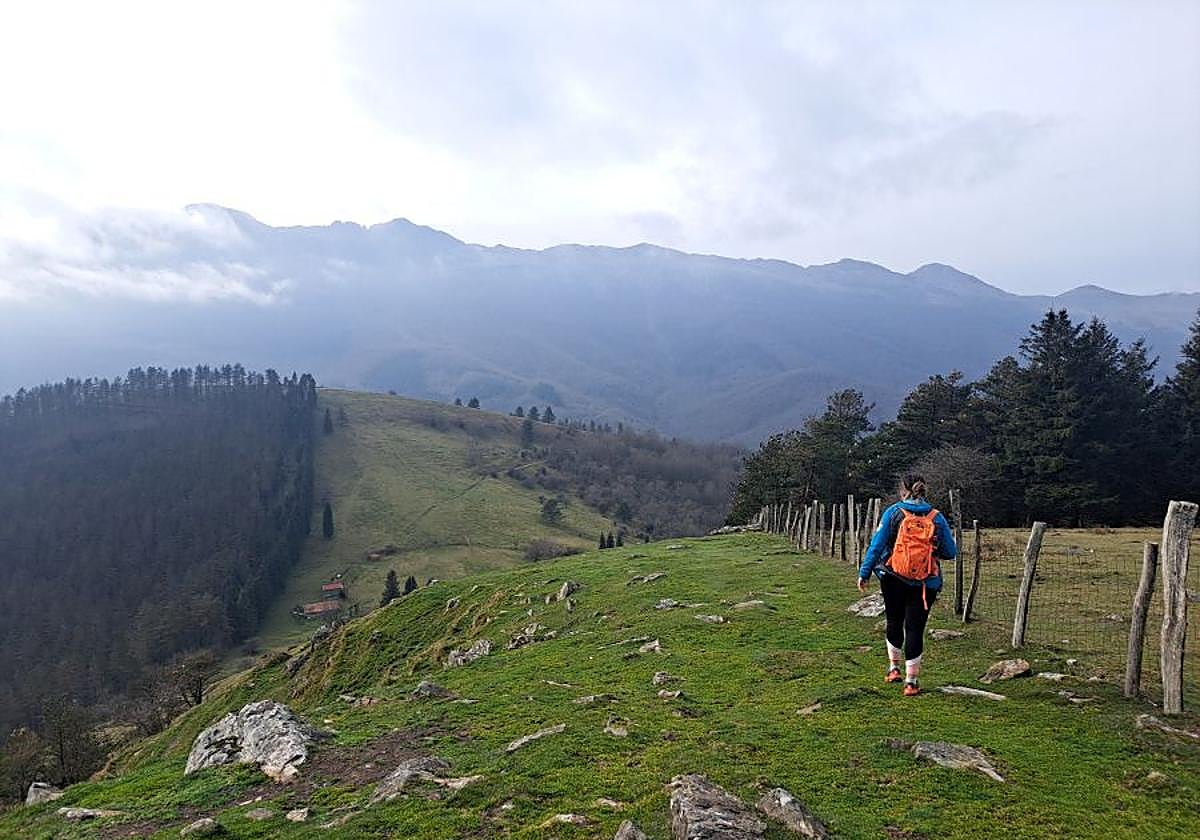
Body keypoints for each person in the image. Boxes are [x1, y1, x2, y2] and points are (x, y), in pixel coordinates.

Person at [856, 474, 957, 696]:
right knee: (915, 628)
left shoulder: (893, 513)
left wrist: (864, 573)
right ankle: (911, 683)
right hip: (925, 583)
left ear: (903, 490)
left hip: (893, 577)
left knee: (894, 621)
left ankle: (894, 669)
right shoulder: (936, 517)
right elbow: (951, 552)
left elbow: (876, 545)